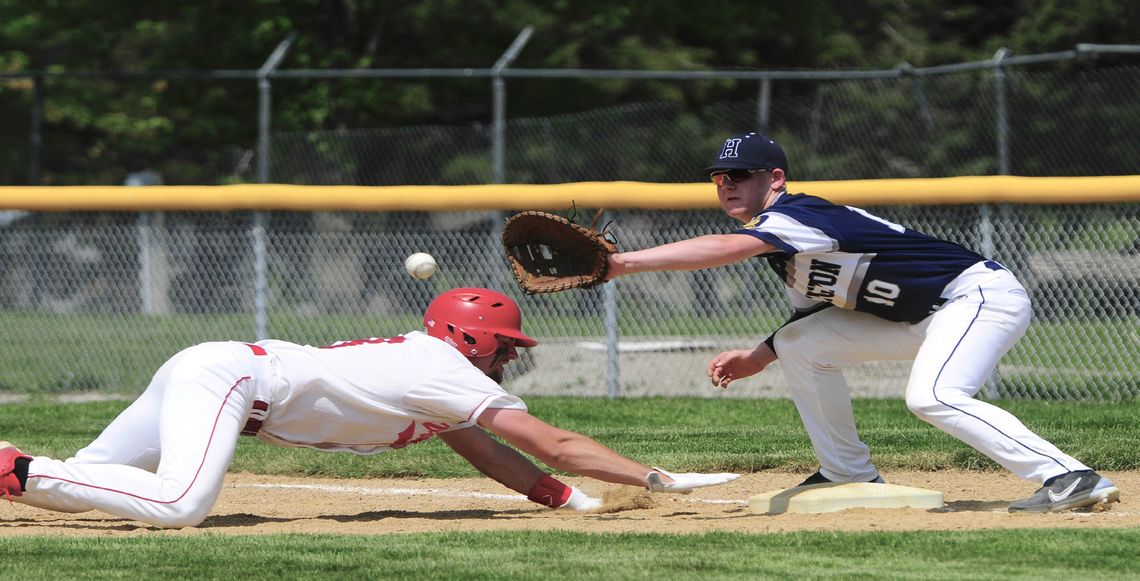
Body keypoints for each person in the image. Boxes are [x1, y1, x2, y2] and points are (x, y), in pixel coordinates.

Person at [604, 132, 1120, 513]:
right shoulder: (786, 249)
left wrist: (622, 263)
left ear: (775, 179)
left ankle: (1069, 476)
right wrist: (758, 356)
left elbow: (723, 248)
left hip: (975, 297)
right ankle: (847, 472)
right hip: (920, 317)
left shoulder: (799, 217)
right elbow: (810, 319)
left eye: (740, 175)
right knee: (802, 344)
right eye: (719, 178)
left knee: (933, 397)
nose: (726, 185)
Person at [0, 287, 738, 528]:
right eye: (503, 343)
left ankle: (9, 470)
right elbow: (552, 436)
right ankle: (12, 465)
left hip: (216, 369)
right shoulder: (444, 366)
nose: (511, 354)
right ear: (468, 335)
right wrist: (653, 477)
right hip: (227, 380)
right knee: (181, 505)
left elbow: (482, 449)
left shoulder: (435, 371)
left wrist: (568, 500)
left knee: (87, 480)